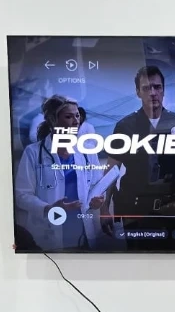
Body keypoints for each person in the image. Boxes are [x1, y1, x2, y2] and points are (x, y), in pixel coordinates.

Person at [109, 65, 175, 248]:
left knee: (171, 257)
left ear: (163, 90)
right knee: (137, 258)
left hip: (170, 207)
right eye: (146, 88)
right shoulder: (125, 126)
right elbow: (112, 168)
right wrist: (104, 207)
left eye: (157, 87)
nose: (152, 93)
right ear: (138, 92)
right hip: (135, 207)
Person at [12, 95, 111, 251]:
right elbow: (21, 195)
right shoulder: (33, 153)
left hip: (83, 236)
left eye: (77, 115)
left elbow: (97, 186)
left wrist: (98, 200)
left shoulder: (87, 151)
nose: (76, 121)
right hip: (47, 237)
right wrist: (48, 208)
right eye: (68, 117)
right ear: (53, 120)